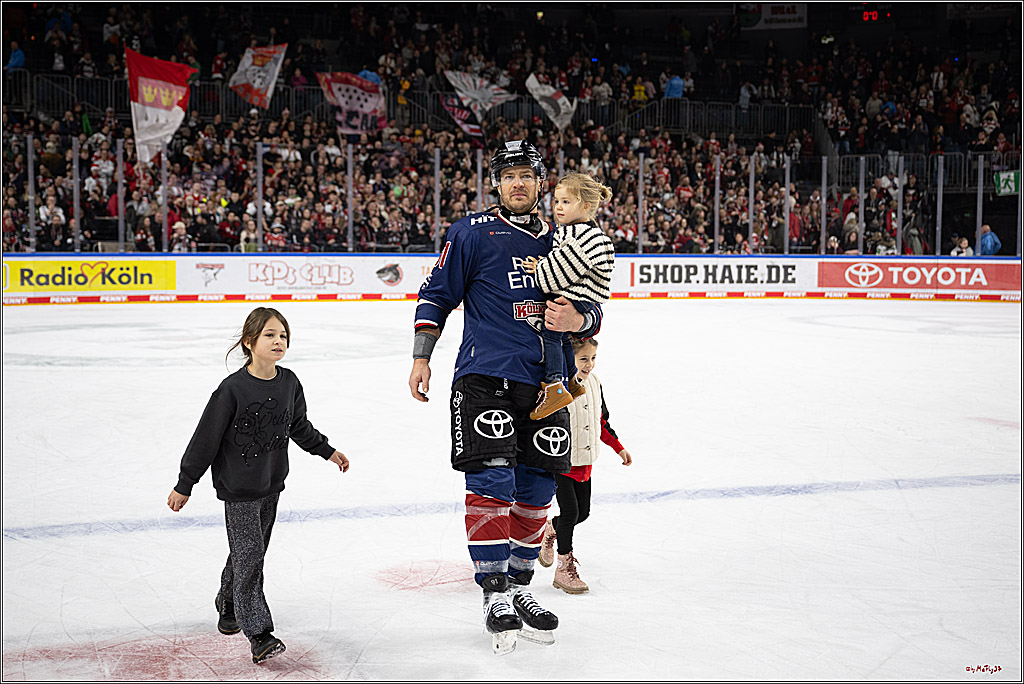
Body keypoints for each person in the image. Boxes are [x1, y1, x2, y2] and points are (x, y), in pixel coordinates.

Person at [408, 140, 603, 655]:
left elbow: (596, 307)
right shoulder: (471, 232)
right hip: (485, 376)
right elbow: (437, 293)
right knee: (492, 481)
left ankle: (520, 588)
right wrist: (421, 354)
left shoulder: (569, 237)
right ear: (495, 182)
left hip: (549, 384)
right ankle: (494, 592)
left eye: (527, 175)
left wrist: (579, 320)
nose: (518, 183)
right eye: (508, 175)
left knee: (537, 488)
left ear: (542, 183)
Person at [167, 307, 350, 665]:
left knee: (250, 551)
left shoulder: (289, 382)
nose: (278, 341)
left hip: (271, 483)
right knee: (250, 554)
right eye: (269, 335)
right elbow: (205, 440)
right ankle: (260, 633)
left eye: (282, 335)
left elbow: (298, 426)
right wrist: (185, 483)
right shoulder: (232, 390)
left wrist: (327, 451)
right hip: (238, 487)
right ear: (249, 342)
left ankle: (229, 601)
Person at [538, 337, 632, 593]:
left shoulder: (595, 382)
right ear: (569, 357)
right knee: (570, 512)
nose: (589, 365)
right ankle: (563, 568)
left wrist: (618, 446)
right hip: (562, 461)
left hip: (585, 459)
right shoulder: (559, 385)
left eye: (592, 359)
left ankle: (551, 529)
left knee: (583, 513)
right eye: (583, 359)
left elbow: (601, 421)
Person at [522, 172, 615, 420]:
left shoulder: (580, 235)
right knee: (562, 337)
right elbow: (564, 263)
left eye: (566, 202)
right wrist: (548, 263)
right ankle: (572, 381)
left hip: (579, 296)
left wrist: (539, 267)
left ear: (585, 206)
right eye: (556, 201)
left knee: (552, 333)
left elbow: (554, 276)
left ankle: (554, 385)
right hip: (582, 294)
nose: (558, 207)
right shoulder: (579, 232)